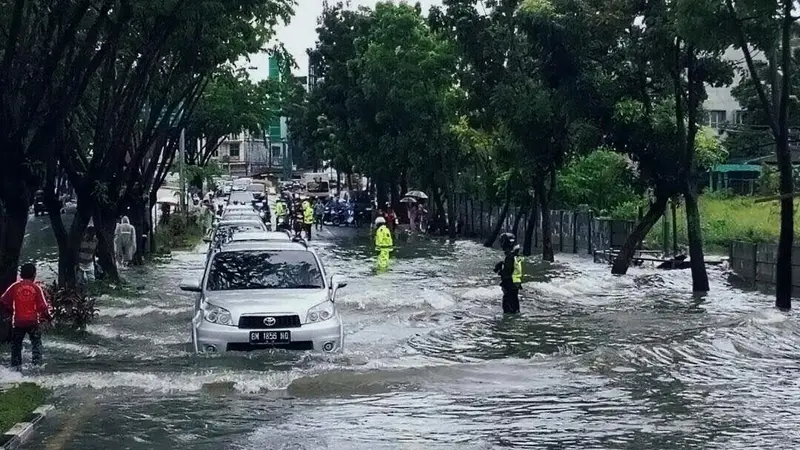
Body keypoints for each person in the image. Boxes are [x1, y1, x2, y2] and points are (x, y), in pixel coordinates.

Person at [1, 263, 52, 368]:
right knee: (36, 344)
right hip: (33, 322)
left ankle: (16, 367)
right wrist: (48, 318)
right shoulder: (36, 288)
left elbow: (3, 300)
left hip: (18, 322)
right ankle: (37, 365)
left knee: (16, 346)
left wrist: (10, 311)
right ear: (34, 275)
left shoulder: (14, 286)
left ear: (21, 275)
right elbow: (43, 306)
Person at [493, 233, 522, 314]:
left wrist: (499, 270)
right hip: (514, 286)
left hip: (509, 285)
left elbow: (507, 273)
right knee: (515, 309)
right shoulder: (515, 255)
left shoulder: (510, 256)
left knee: (508, 310)